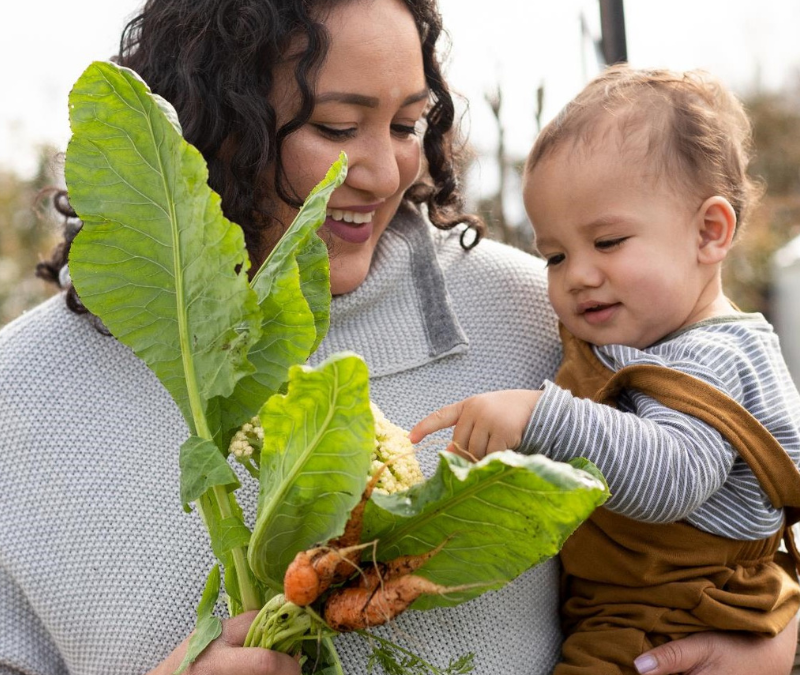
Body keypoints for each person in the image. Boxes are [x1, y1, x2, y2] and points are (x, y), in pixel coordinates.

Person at [0, 1, 796, 672]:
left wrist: (780, 642)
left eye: (409, 123)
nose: (386, 172)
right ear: (223, 119)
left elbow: (740, 504)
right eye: (338, 126)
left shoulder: (564, 316)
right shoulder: (22, 393)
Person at [410, 65, 800, 673]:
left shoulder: (714, 354)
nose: (578, 276)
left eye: (609, 242)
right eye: (556, 255)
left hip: (670, 619)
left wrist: (541, 416)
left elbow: (673, 475)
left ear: (709, 231)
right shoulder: (646, 339)